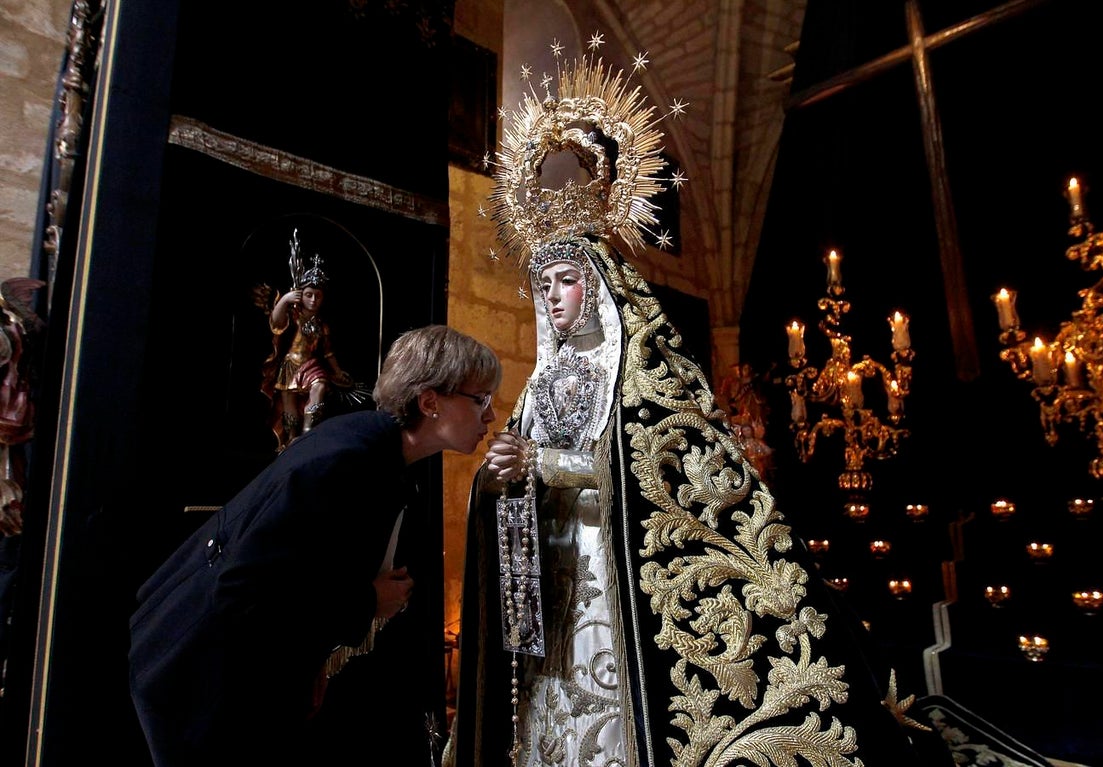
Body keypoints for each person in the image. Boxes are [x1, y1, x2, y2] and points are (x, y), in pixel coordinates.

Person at [447, 39, 953, 767]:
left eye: (564, 280)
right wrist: (497, 476)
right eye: (544, 285)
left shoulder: (639, 370)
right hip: (556, 582)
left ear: (598, 283)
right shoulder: (537, 387)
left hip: (613, 577)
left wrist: (547, 463)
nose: (552, 298)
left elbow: (653, 474)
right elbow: (515, 466)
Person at [129, 324, 500, 767]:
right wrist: (367, 602)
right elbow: (243, 590)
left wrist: (311, 662)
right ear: (429, 402)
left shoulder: (374, 451)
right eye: (481, 399)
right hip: (199, 678)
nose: (491, 416)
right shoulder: (347, 460)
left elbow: (302, 570)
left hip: (224, 668)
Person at [259, 229, 354, 452]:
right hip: (291, 364)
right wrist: (284, 300)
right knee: (289, 399)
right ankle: (291, 437)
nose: (313, 300)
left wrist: (338, 372)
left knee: (320, 386)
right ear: (302, 294)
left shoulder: (323, 325)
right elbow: (276, 323)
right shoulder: (293, 315)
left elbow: (328, 353)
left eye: (318, 296)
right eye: (309, 294)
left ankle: (309, 431)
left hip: (312, 365)